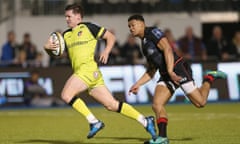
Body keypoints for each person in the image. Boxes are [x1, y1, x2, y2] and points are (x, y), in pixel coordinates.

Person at [44, 3, 156, 140]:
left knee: (66, 95)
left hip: (87, 70)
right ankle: (145, 121)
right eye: (65, 17)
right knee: (111, 105)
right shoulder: (65, 35)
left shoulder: (89, 27)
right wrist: (47, 48)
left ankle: (94, 122)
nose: (67, 19)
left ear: (78, 17)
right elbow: (56, 52)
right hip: (92, 74)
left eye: (69, 16)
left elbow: (111, 37)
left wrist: (107, 51)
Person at [127, 14, 227, 144]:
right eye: (129, 26)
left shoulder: (152, 32)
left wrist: (170, 71)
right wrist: (138, 83)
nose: (131, 28)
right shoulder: (144, 45)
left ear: (142, 23)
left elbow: (168, 48)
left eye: (133, 25)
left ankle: (209, 77)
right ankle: (162, 138)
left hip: (177, 69)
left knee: (200, 103)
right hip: (166, 74)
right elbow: (152, 69)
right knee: (157, 105)